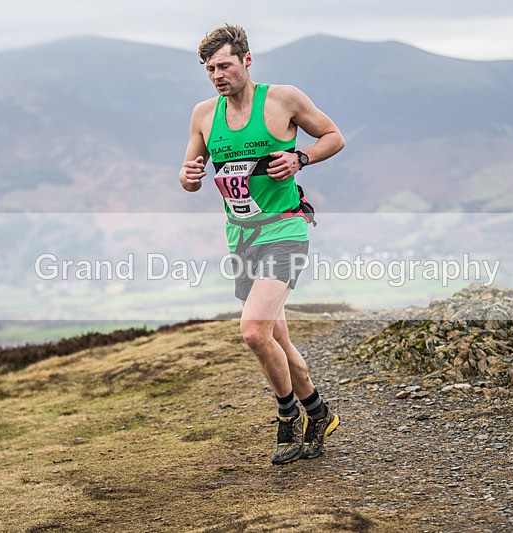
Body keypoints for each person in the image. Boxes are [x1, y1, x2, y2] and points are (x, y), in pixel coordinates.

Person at [179, 24, 345, 465]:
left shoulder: (282, 99)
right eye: (210, 68)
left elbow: (333, 136)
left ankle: (288, 415)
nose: (217, 74)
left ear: (247, 61)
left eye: (225, 64)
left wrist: (300, 157)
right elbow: (188, 174)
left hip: (285, 230)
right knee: (275, 338)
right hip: (242, 237)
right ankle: (319, 412)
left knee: (253, 332)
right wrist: (189, 177)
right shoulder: (203, 114)